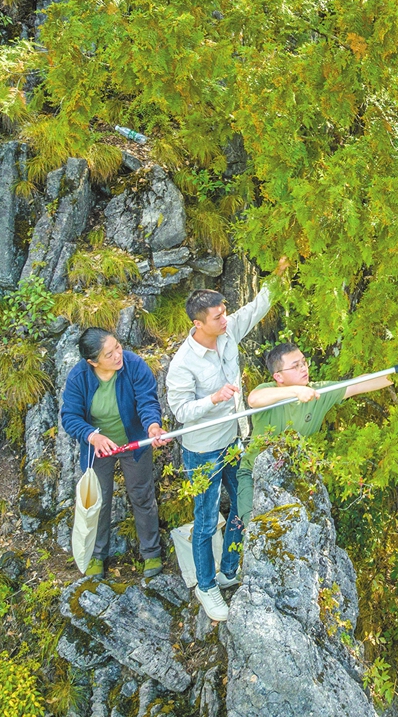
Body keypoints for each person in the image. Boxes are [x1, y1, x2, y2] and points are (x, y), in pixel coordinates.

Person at [165, 265, 285, 622]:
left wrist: (278, 276)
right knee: (204, 520)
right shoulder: (183, 364)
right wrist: (214, 399)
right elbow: (180, 411)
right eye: (218, 317)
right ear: (198, 323)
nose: (225, 320)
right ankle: (206, 586)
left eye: (225, 313)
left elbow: (255, 309)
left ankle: (230, 567)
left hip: (236, 438)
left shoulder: (228, 332)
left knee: (241, 502)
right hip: (203, 449)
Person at [232, 341, 398, 532]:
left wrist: (395, 378)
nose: (303, 368)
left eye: (304, 362)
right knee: (255, 531)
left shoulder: (319, 392)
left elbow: (358, 383)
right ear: (278, 376)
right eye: (295, 366)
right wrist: (295, 391)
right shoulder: (268, 392)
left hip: (295, 476)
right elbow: (254, 399)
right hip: (254, 477)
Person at [60, 327, 169, 578]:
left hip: (133, 444)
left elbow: (147, 400)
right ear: (92, 362)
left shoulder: (134, 365)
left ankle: (151, 553)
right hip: (99, 448)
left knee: (142, 496)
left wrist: (153, 425)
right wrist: (92, 436)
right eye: (109, 354)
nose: (118, 355)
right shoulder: (79, 378)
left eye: (117, 347)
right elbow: (70, 416)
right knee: (99, 501)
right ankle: (97, 555)